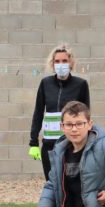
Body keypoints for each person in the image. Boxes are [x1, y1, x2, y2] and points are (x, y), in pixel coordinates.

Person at [29, 44, 90, 181]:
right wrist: (33, 142)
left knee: (70, 183)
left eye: (64, 61)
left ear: (71, 63)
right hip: (49, 144)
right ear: (52, 63)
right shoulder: (45, 83)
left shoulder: (80, 84)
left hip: (71, 144)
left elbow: (86, 115)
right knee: (52, 183)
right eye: (57, 61)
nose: (60, 64)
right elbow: (38, 113)